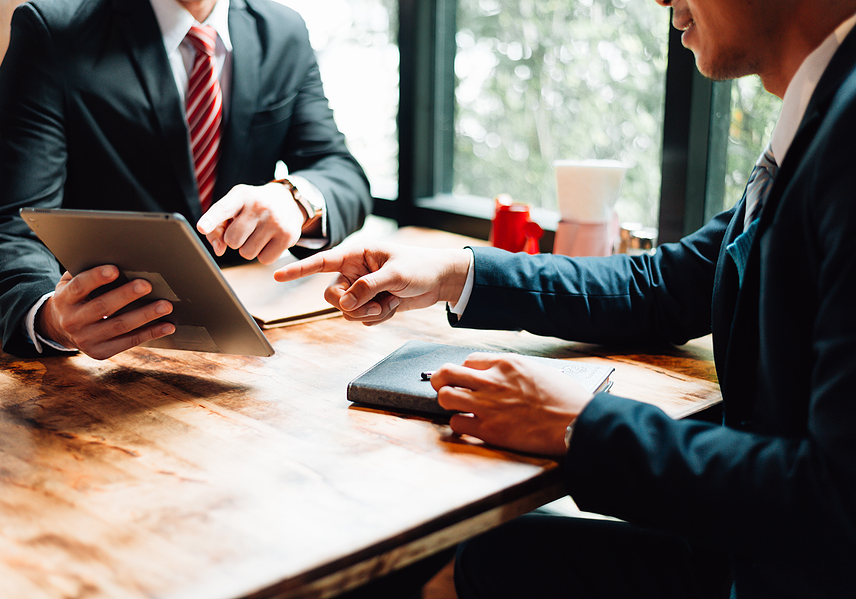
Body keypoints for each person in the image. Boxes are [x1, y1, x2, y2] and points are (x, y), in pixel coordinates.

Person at [274, 0, 856, 596]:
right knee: (469, 557)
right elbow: (663, 286)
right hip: (761, 546)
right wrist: (455, 272)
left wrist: (580, 424)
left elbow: (835, 504)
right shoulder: (821, 110)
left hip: (786, 569)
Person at [0, 0, 372, 360]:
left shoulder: (283, 30)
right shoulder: (53, 29)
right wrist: (51, 318)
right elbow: (5, 229)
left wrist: (295, 199)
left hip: (260, 340)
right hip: (110, 347)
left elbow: (340, 171)